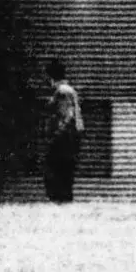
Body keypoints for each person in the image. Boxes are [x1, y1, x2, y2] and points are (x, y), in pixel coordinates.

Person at [43, 59, 85, 203]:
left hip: (64, 139)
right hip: (68, 137)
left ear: (51, 77)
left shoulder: (62, 91)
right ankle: (63, 199)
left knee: (57, 170)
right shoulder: (67, 90)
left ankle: (61, 200)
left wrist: (56, 135)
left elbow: (67, 115)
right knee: (64, 171)